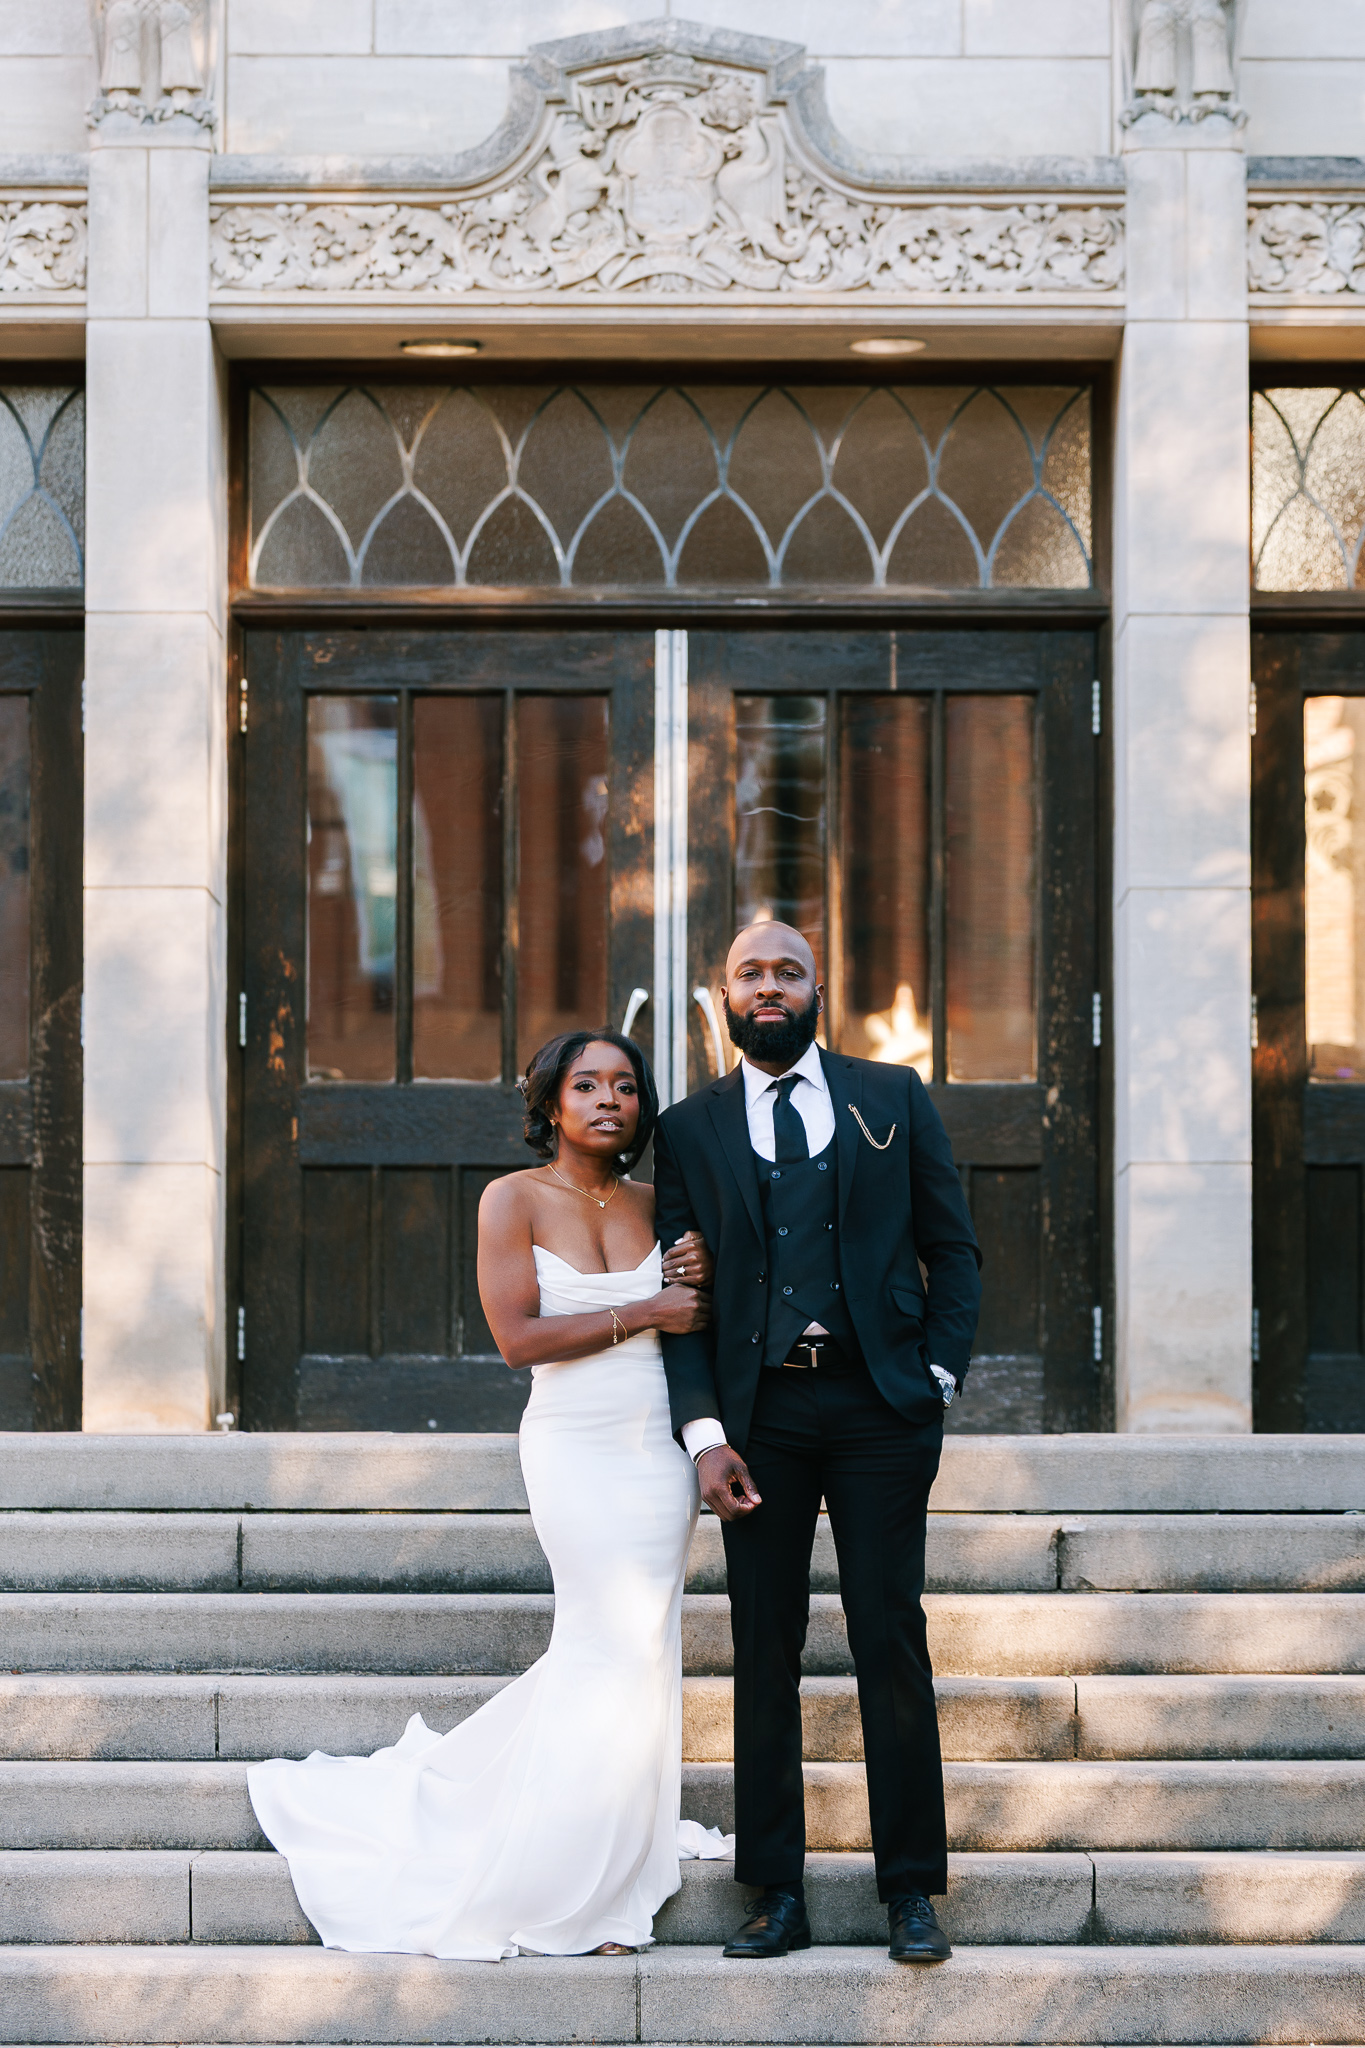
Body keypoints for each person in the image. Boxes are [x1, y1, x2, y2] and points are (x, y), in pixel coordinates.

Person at [248, 1029, 726, 1961]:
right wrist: (650, 1309)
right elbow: (518, 1339)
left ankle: (614, 1851)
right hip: (574, 1445)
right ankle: (568, 1890)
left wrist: (704, 1279)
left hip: (655, 1449)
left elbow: (704, 1318)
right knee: (606, 1637)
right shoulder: (510, 1200)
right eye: (584, 1084)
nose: (606, 1100)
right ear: (549, 1103)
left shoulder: (663, 1203)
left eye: (624, 1086)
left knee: (641, 1643)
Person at [652, 924, 982, 1965]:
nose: (768, 987)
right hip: (764, 1420)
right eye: (750, 973)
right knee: (765, 1646)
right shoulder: (688, 1126)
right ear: (725, 992)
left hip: (881, 1408)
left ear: (817, 987)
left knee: (889, 1637)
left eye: (786, 971)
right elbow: (683, 1298)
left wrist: (934, 1375)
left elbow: (952, 1246)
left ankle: (910, 1890)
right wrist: (705, 1434)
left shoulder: (892, 1096)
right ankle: (777, 1890)